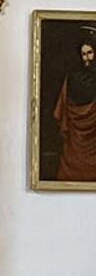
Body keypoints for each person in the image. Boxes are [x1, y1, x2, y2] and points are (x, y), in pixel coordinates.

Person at [52, 38, 96, 182]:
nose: (86, 58)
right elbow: (63, 105)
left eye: (90, 53)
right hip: (76, 138)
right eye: (83, 54)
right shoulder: (72, 77)